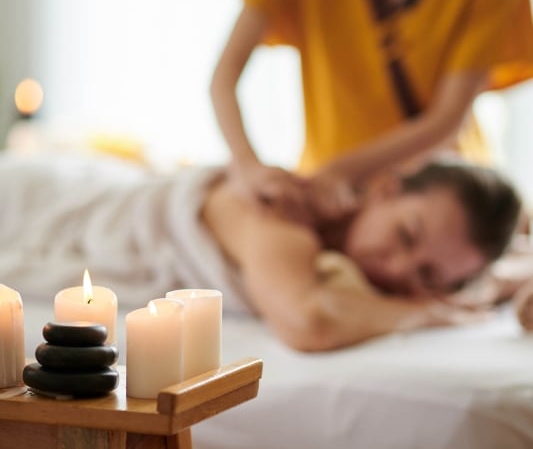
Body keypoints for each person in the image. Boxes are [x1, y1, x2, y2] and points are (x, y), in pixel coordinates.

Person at [0, 151, 522, 351]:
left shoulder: (343, 266)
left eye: (430, 275)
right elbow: (308, 321)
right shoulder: (281, 216)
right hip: (33, 206)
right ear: (385, 189)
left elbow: (489, 283)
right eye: (407, 235)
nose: (400, 268)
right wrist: (424, 308)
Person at [210, 0, 533, 222]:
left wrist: (339, 174)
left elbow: (447, 119)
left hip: (435, 204)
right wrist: (250, 169)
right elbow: (224, 78)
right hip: (327, 192)